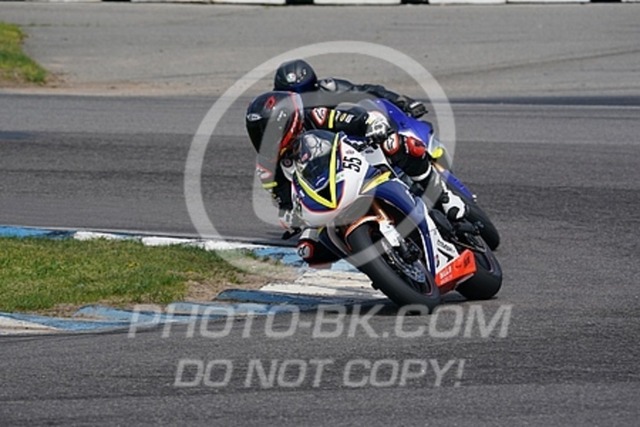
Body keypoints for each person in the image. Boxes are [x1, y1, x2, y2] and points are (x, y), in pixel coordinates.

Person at [245, 90, 466, 267]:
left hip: (360, 157)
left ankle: (445, 196)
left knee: (396, 145)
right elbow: (283, 199)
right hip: (326, 196)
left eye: (268, 131)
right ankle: (378, 265)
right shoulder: (266, 166)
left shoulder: (315, 117)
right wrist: (289, 215)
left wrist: (371, 124)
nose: (264, 138)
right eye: (258, 133)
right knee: (308, 250)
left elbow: (352, 119)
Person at [273, 59, 428, 119]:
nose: (299, 101)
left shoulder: (327, 90)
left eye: (304, 94)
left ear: (314, 86)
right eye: (291, 95)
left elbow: (366, 91)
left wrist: (401, 102)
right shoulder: (273, 108)